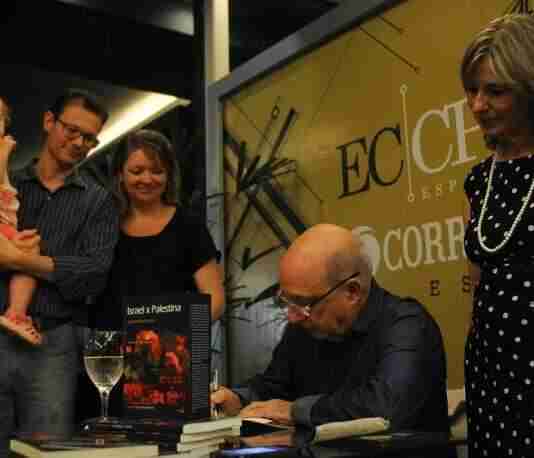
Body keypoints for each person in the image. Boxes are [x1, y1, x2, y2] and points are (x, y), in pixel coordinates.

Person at [212, 224, 450, 434]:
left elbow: (387, 408)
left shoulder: (407, 325)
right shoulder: (303, 326)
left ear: (352, 292)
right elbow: (274, 387)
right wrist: (239, 399)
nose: (292, 317)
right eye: (286, 301)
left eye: (303, 303)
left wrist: (296, 411)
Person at [0, 88, 119, 452]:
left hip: (53, 344)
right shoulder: (8, 182)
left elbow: (93, 272)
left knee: (47, 449)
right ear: (49, 122)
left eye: (89, 137)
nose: (80, 142)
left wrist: (17, 260)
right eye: (72, 130)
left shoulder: (98, 201)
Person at [81, 128, 225, 419]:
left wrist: (170, 337)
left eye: (157, 171)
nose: (147, 179)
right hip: (109, 364)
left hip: (169, 365)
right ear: (120, 175)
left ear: (169, 175)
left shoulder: (188, 226)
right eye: (137, 170)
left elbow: (216, 299)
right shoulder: (103, 223)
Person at [461, 13, 534, 458]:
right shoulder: (477, 181)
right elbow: (477, 282)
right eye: (472, 89)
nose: (477, 105)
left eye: (495, 91)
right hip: (490, 368)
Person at [0, 96, 42, 345]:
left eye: (0, 118)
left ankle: (16, 312)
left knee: (31, 249)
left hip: (5, 224)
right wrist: (3, 154)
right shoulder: (2, 150)